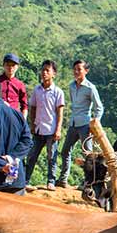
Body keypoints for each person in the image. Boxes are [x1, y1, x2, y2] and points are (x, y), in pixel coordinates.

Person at [57, 60, 104, 191]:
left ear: (86, 71)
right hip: (73, 123)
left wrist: (95, 124)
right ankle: (63, 179)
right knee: (65, 150)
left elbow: (99, 107)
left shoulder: (90, 88)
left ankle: (87, 183)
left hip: (85, 125)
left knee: (88, 156)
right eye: (75, 69)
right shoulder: (71, 86)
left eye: (79, 69)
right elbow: (73, 104)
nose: (76, 72)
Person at [25, 60, 65, 191]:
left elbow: (60, 113)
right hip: (38, 129)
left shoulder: (58, 92)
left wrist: (58, 129)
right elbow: (33, 108)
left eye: (48, 70)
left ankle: (51, 181)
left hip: (51, 130)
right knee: (31, 156)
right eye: (43, 70)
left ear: (54, 74)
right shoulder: (37, 90)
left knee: (51, 157)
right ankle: (25, 180)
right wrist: (32, 125)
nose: (44, 73)